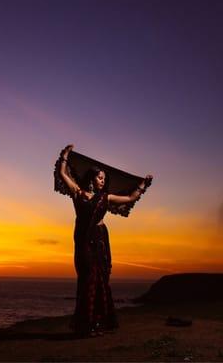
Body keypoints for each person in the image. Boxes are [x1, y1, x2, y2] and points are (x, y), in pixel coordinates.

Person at [58, 144, 153, 337]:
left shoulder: (105, 197)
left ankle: (97, 324)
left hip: (100, 242)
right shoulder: (78, 193)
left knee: (101, 281)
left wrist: (143, 185)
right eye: (100, 177)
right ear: (92, 179)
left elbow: (129, 197)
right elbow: (63, 174)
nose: (103, 181)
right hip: (84, 242)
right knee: (87, 280)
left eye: (104, 178)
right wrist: (65, 156)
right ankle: (85, 325)